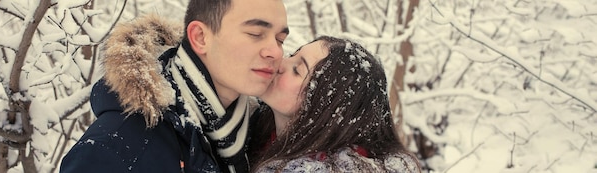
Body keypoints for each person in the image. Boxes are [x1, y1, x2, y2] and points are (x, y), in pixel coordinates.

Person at [60, 0, 289, 172]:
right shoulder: (116, 148)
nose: (275, 51)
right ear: (200, 37)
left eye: (280, 40)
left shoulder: (259, 137)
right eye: (255, 33)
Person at [248, 36, 421, 172]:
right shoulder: (250, 129)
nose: (280, 62)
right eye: (292, 55)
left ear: (326, 108)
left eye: (297, 70)